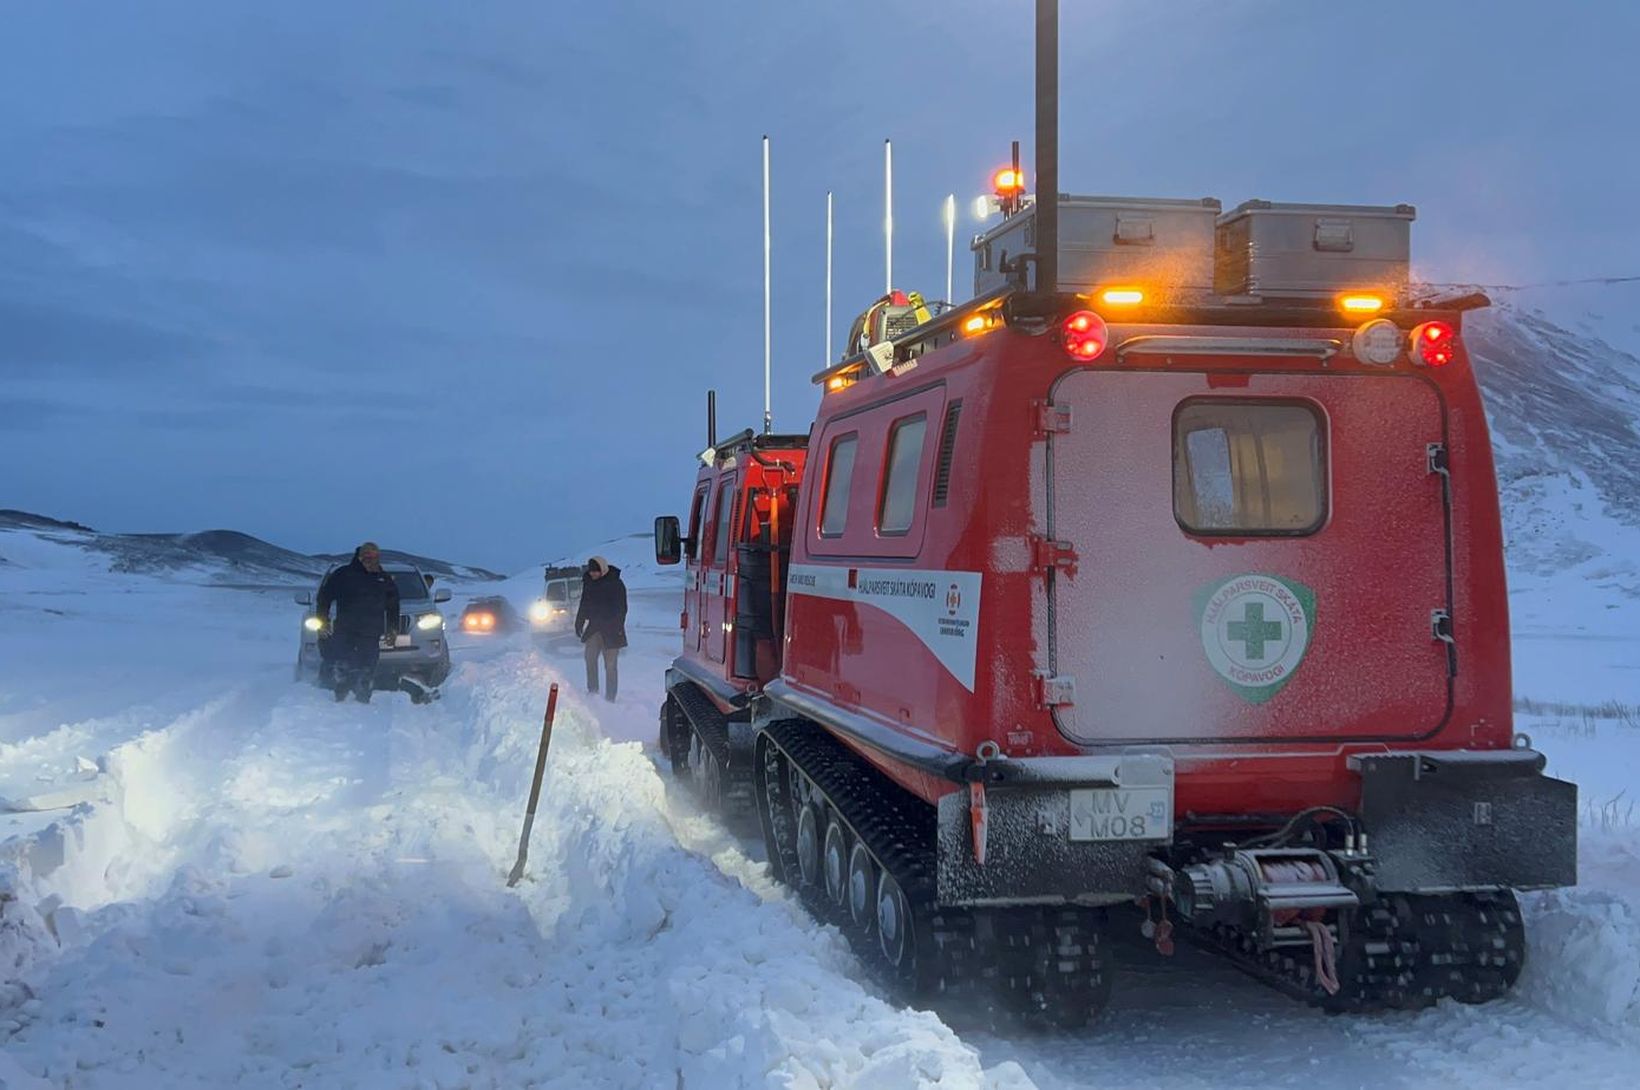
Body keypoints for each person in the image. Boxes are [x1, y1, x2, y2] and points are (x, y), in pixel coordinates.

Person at [315, 541, 400, 703]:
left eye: (375, 556)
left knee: (367, 666)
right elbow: (324, 599)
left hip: (371, 632)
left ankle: (363, 696)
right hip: (345, 629)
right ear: (359, 556)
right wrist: (322, 621)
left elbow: (393, 606)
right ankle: (339, 695)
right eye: (367, 556)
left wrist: (393, 629)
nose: (371, 560)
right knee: (342, 664)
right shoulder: (343, 574)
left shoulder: (383, 578)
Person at [575, 555, 627, 701]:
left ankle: (610, 698)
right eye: (591, 571)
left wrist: (618, 627)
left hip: (612, 631)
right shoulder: (589, 582)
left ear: (602, 569)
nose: (593, 574)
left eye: (595, 571)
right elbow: (584, 603)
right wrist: (579, 621)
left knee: (610, 666)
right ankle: (593, 692)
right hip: (594, 629)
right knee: (589, 659)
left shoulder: (615, 583)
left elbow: (622, 609)